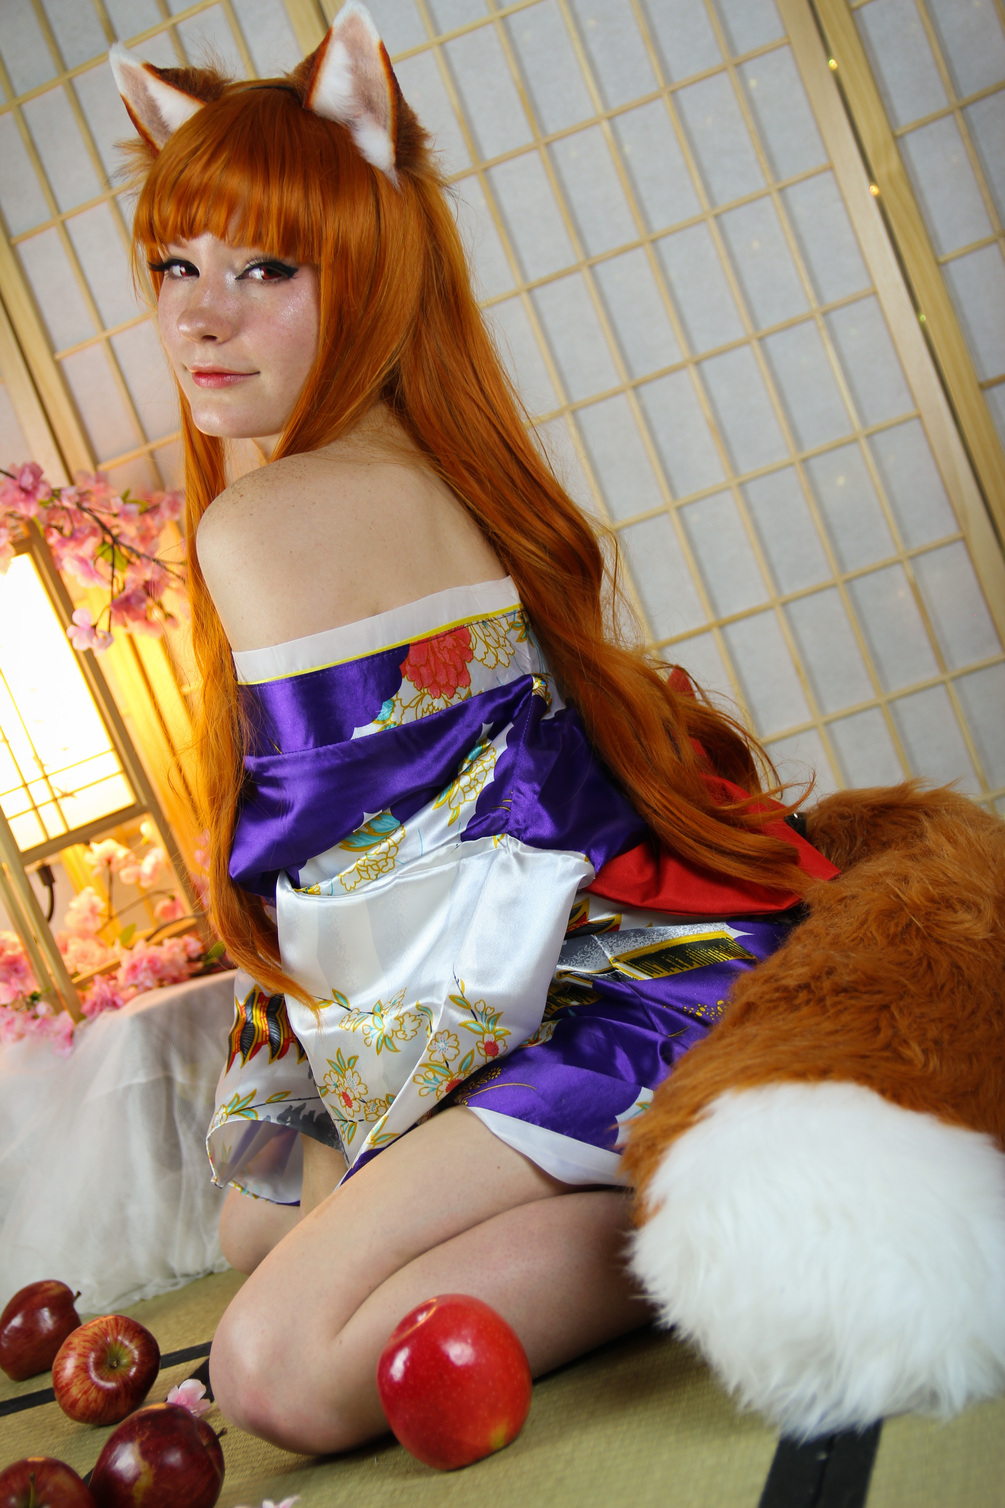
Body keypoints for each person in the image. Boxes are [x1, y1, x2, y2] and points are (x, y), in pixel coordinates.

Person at [111, 2, 834, 1457]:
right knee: (262, 1208)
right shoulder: (423, 457)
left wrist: (377, 1161)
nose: (197, 316)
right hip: (597, 932)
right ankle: (682, 1163)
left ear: (375, 263)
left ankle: (749, 1181)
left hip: (606, 988)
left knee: (276, 1367)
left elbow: (388, 909)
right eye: (177, 264)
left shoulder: (269, 519)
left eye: (266, 268)